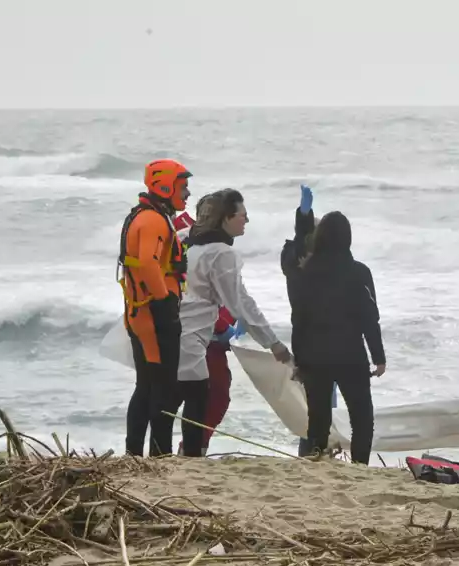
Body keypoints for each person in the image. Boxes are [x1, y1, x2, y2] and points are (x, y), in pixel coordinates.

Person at [175, 189, 291, 456]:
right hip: (194, 337)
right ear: (226, 219)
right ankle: (190, 457)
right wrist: (272, 343)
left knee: (176, 398)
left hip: (179, 331)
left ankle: (170, 456)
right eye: (242, 216)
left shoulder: (190, 243)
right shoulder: (220, 253)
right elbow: (240, 302)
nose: (246, 221)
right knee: (202, 398)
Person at [290, 211, 385, 465]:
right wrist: (379, 357)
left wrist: (298, 359)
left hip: (314, 356)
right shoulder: (359, 272)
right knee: (362, 418)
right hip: (350, 355)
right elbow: (369, 317)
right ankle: (360, 465)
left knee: (318, 419)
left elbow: (298, 320)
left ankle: (317, 463)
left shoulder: (305, 274)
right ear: (348, 239)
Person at [119, 159, 192, 457]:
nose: (187, 194)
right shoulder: (152, 220)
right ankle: (159, 455)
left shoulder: (146, 216)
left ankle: (135, 452)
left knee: (147, 386)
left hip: (140, 314)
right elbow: (149, 263)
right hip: (153, 315)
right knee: (163, 389)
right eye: (183, 187)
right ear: (165, 186)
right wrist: (164, 303)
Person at [280, 184, 337, 456]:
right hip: (308, 341)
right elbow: (302, 244)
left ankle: (318, 450)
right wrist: (304, 216)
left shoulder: (322, 264)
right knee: (317, 405)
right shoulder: (295, 259)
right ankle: (311, 452)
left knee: (323, 405)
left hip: (327, 341)